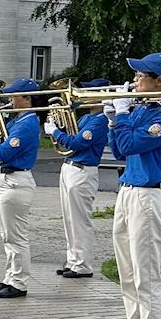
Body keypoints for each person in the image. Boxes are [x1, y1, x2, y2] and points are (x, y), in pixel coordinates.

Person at [96, 53, 161, 319]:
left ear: (159, 81)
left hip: (148, 195)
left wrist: (121, 118)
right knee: (128, 272)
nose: (133, 81)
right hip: (128, 192)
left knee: (145, 273)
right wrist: (112, 120)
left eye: (140, 76)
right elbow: (120, 149)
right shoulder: (141, 110)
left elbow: (134, 144)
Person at [0, 79, 41, 298]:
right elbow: (1, 141)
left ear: (27, 98)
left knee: (16, 237)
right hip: (5, 180)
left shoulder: (27, 123)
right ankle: (10, 277)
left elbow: (3, 153)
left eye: (14, 97)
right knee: (7, 236)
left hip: (15, 181)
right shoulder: (18, 120)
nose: (9, 100)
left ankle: (20, 283)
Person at [48, 78, 112, 278]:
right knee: (69, 219)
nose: (81, 96)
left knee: (79, 220)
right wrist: (58, 123)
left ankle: (83, 265)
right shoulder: (86, 118)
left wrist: (55, 131)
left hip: (83, 170)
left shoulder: (101, 120)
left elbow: (76, 142)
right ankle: (73, 261)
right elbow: (72, 134)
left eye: (87, 93)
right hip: (71, 168)